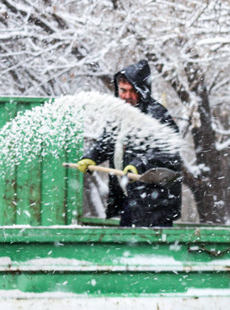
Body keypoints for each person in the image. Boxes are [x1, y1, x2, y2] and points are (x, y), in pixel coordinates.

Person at [76, 59, 182, 227]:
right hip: (130, 200)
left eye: (131, 91)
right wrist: (91, 157)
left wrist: (138, 165)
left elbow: (166, 153)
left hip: (154, 204)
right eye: (122, 90)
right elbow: (106, 141)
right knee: (128, 249)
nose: (125, 96)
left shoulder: (157, 116)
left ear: (142, 90)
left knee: (149, 252)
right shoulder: (119, 114)